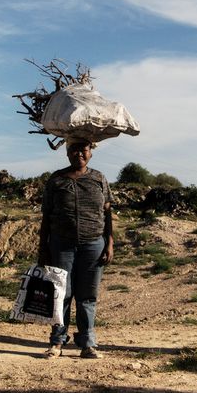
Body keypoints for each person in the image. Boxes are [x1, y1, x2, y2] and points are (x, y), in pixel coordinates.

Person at [38, 138, 114, 359]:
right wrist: (43, 248)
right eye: (73, 149)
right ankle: (57, 342)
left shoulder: (98, 178)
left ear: (91, 152)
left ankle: (88, 344)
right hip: (61, 244)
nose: (79, 153)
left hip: (93, 244)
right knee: (61, 294)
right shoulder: (57, 179)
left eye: (84, 149)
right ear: (67, 153)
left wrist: (109, 242)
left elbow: (107, 213)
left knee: (87, 296)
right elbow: (46, 216)